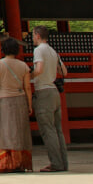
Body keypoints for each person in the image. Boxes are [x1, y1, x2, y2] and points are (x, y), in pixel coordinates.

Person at [0, 36, 34, 173]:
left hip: (4, 99)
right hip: (20, 100)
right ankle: (19, 162)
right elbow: (27, 87)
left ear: (3, 49)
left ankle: (5, 162)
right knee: (20, 132)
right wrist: (29, 104)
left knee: (5, 132)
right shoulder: (24, 66)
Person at [30, 25, 68, 172]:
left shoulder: (39, 50)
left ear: (38, 35)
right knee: (58, 129)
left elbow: (38, 69)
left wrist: (28, 76)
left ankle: (56, 164)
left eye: (33, 35)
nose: (33, 38)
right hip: (54, 92)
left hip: (44, 91)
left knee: (48, 130)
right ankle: (63, 163)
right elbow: (64, 71)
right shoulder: (53, 51)